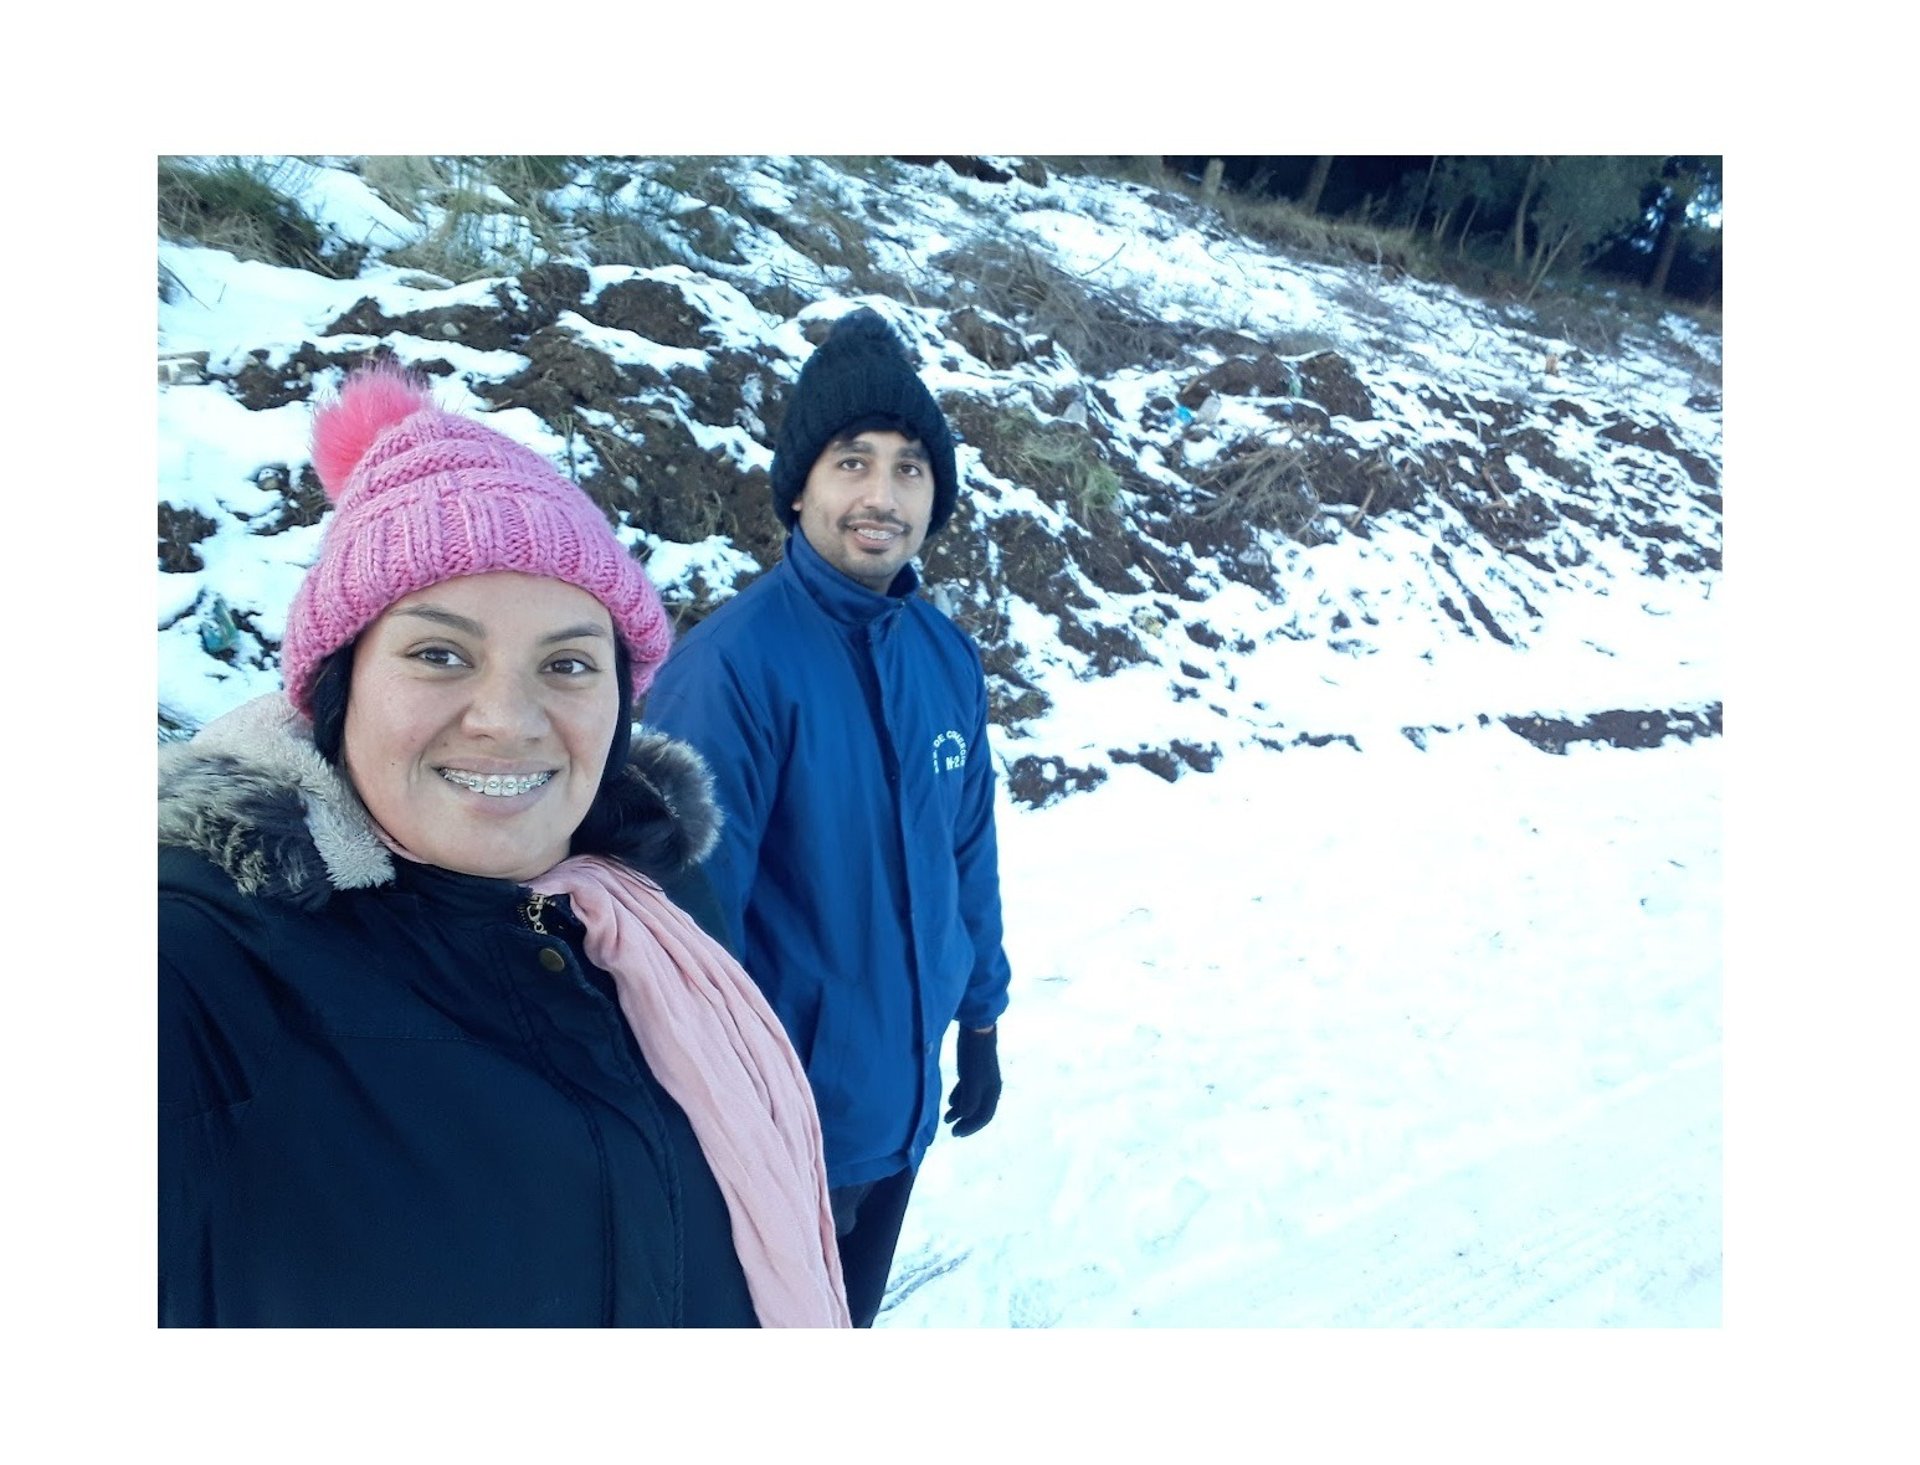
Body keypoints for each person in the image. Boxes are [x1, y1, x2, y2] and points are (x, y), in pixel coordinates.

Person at [158, 365, 849, 1327]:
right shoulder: (204, 970)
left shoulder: (655, 903)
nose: (509, 720)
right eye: (440, 653)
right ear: (337, 688)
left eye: (567, 663)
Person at [644, 307, 1013, 1327]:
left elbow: (967, 852)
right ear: (800, 485)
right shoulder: (732, 670)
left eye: (909, 469)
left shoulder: (945, 656)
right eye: (853, 462)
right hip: (779, 1130)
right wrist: (708, 1127)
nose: (881, 496)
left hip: (900, 1104)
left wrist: (981, 1015)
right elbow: (683, 935)